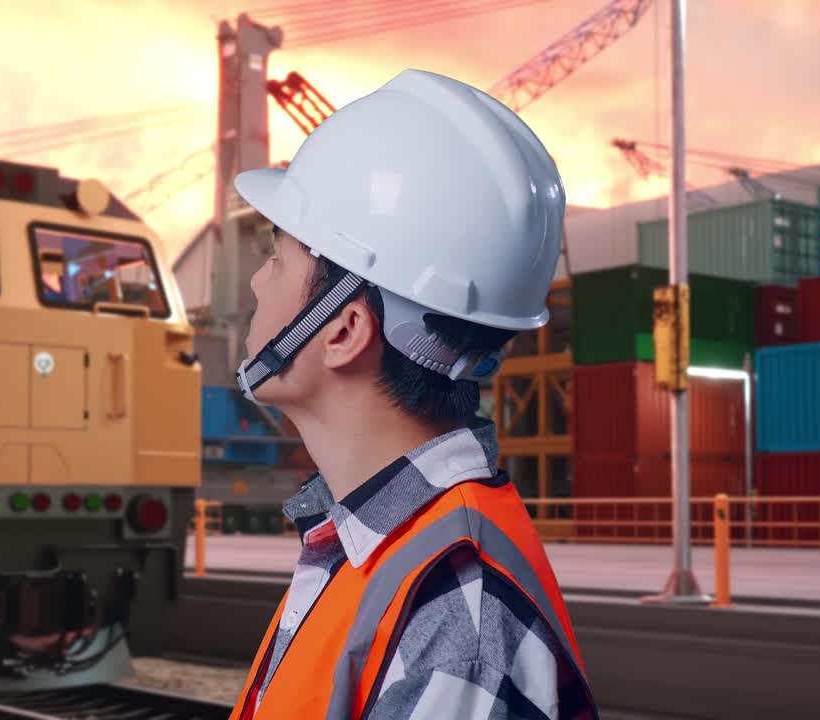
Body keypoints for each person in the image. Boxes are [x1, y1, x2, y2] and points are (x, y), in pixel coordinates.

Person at [227, 69, 598, 720]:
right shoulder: (373, 544)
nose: (259, 281)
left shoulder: (454, 615)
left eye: (277, 258)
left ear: (344, 330)